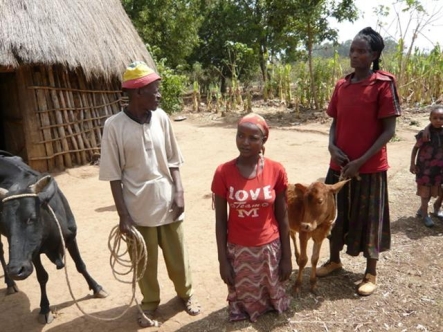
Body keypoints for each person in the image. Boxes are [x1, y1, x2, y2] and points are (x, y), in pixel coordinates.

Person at [99, 61, 200, 327]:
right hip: (138, 208)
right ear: (137, 93)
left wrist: (179, 191)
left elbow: (173, 159)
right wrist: (123, 216)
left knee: (178, 256)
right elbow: (113, 175)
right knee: (145, 264)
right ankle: (150, 303)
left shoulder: (162, 118)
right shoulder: (114, 126)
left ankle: (185, 294)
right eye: (155, 90)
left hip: (168, 202)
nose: (159, 95)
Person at [316, 27, 401, 296]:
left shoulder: (383, 84)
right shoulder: (342, 85)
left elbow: (389, 131)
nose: (354, 55)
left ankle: (371, 272)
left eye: (361, 51)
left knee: (370, 219)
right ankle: (334, 261)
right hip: (338, 166)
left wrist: (361, 161)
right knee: (332, 214)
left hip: (369, 169)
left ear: (374, 54)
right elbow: (335, 122)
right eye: (352, 50)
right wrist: (331, 146)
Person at [211, 113, 292, 322]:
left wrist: (287, 257)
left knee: (271, 293)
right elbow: (220, 221)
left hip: (269, 248)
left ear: (263, 140)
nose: (245, 142)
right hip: (238, 250)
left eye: (253, 138)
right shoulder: (223, 172)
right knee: (242, 296)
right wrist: (223, 260)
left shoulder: (276, 170)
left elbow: (283, 216)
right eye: (240, 136)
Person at [410, 106, 443, 227]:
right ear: (430, 119)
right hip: (425, 169)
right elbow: (415, 149)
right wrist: (412, 163)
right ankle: (425, 215)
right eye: (435, 118)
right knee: (425, 193)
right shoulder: (424, 134)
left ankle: (435, 208)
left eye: (441, 118)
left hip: (439, 169)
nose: (438, 120)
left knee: (436, 190)